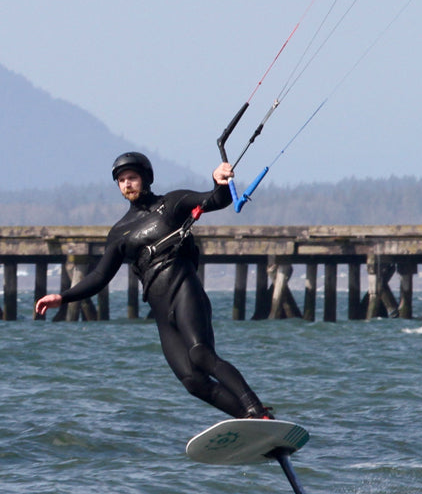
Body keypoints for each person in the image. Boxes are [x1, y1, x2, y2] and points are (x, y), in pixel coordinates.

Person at [35, 151, 271, 420]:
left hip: (184, 289)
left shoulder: (171, 203)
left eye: (132, 178)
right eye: (121, 180)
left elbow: (215, 200)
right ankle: (250, 421)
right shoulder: (120, 232)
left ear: (145, 179)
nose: (127, 184)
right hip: (160, 308)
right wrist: (62, 297)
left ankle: (256, 409)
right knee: (192, 380)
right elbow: (100, 276)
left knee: (201, 354)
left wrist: (219, 182)